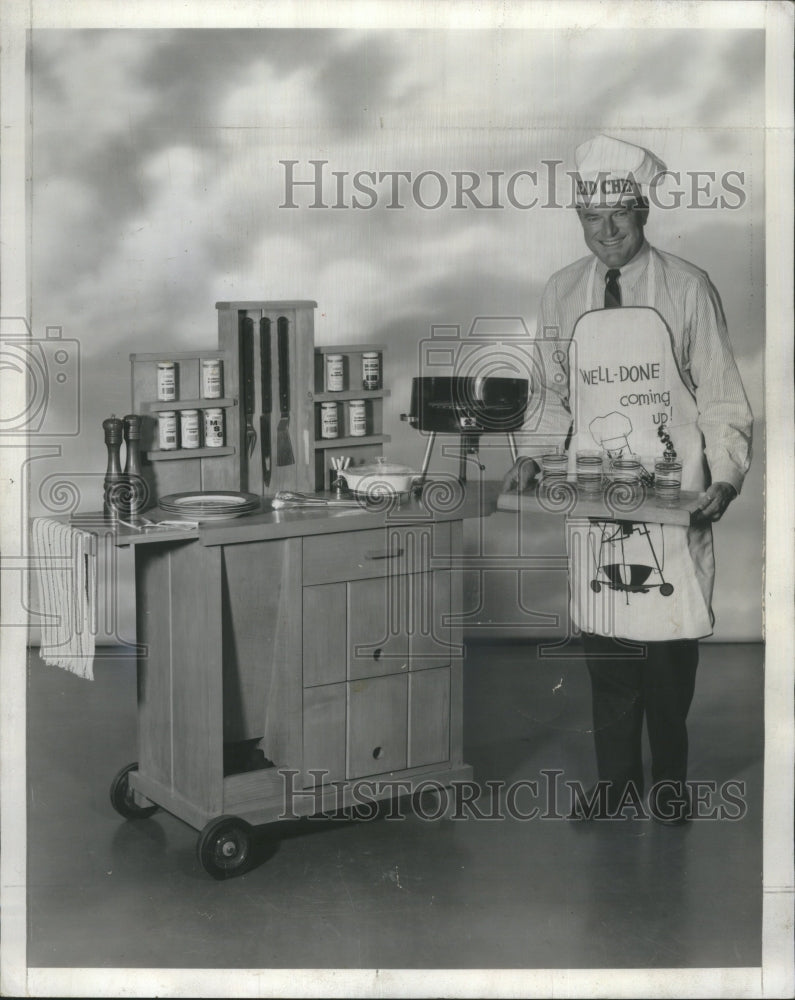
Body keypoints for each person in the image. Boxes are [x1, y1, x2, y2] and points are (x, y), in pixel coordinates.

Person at [502, 134, 753, 823]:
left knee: (668, 650)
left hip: (674, 491)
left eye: (619, 216)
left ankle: (668, 783)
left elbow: (722, 396)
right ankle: (616, 781)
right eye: (590, 219)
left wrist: (725, 478)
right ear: (577, 217)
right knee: (608, 645)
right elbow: (552, 393)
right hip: (594, 488)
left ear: (642, 211)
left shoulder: (685, 286)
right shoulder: (560, 292)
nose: (605, 233)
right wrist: (532, 452)